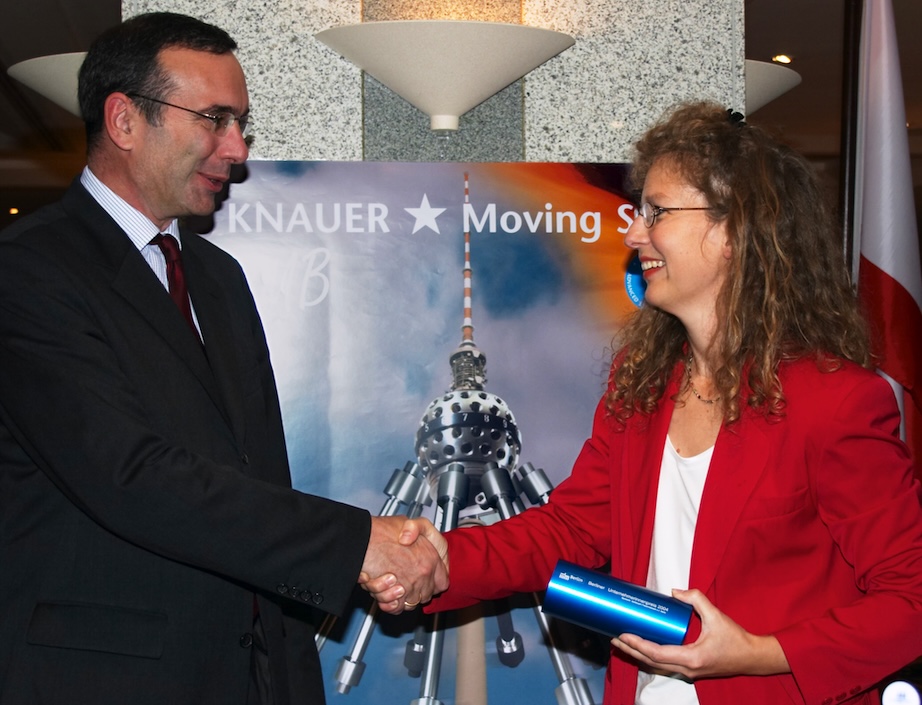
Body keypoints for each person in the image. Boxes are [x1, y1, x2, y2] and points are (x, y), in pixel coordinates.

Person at [379, 102, 922, 704]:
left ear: (733, 230)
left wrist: (758, 653)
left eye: (657, 212)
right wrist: (438, 558)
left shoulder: (838, 400)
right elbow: (571, 530)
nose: (634, 232)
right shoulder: (639, 388)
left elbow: (912, 601)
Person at [0, 12, 444, 705]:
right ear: (123, 121)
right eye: (214, 118)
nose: (236, 148)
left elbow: (257, 475)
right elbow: (131, 475)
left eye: (241, 122)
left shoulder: (217, 277)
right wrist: (354, 544)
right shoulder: (28, 274)